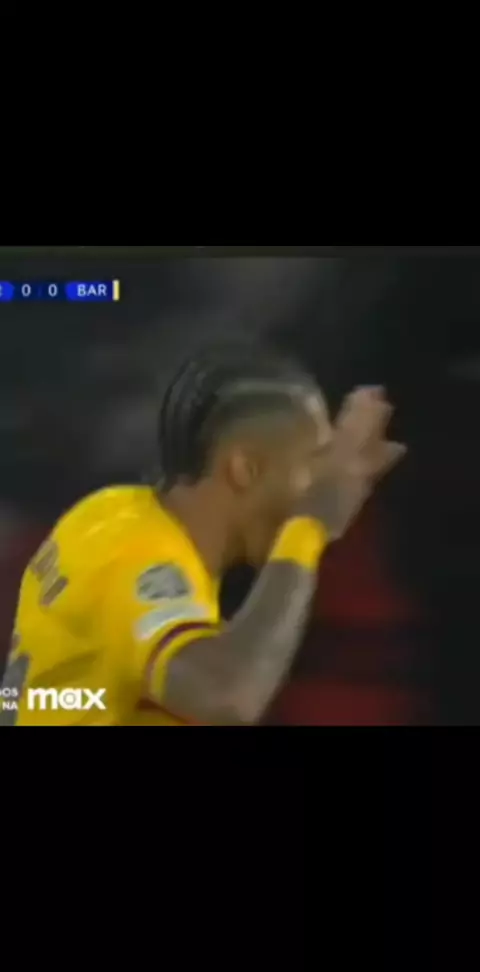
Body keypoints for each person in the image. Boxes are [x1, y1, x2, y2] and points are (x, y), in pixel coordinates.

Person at [0, 342, 405, 727]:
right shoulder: (135, 555)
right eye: (311, 466)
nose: (316, 489)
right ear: (244, 469)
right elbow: (228, 698)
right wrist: (308, 527)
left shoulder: (113, 512)